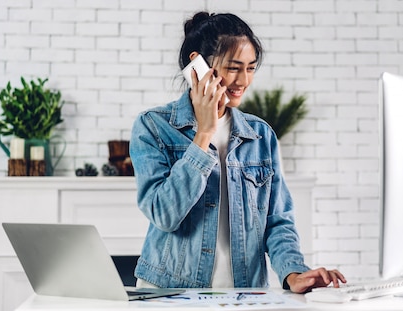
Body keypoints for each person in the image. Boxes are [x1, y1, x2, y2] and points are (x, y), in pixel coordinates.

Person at [129, 11, 346, 294]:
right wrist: (204, 133)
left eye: (251, 68)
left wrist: (292, 272)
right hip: (169, 293)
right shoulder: (153, 127)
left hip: (245, 295)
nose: (243, 80)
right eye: (234, 67)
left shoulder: (260, 135)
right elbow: (163, 214)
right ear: (198, 66)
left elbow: (278, 221)